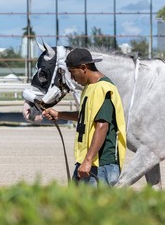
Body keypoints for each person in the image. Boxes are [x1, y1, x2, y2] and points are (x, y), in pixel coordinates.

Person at [43, 48, 126, 187]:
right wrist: (59, 114)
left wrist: (88, 160)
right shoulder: (90, 88)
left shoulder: (103, 88)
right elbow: (86, 116)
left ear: (83, 68)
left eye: (72, 72)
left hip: (100, 165)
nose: (72, 78)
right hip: (88, 161)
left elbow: (102, 126)